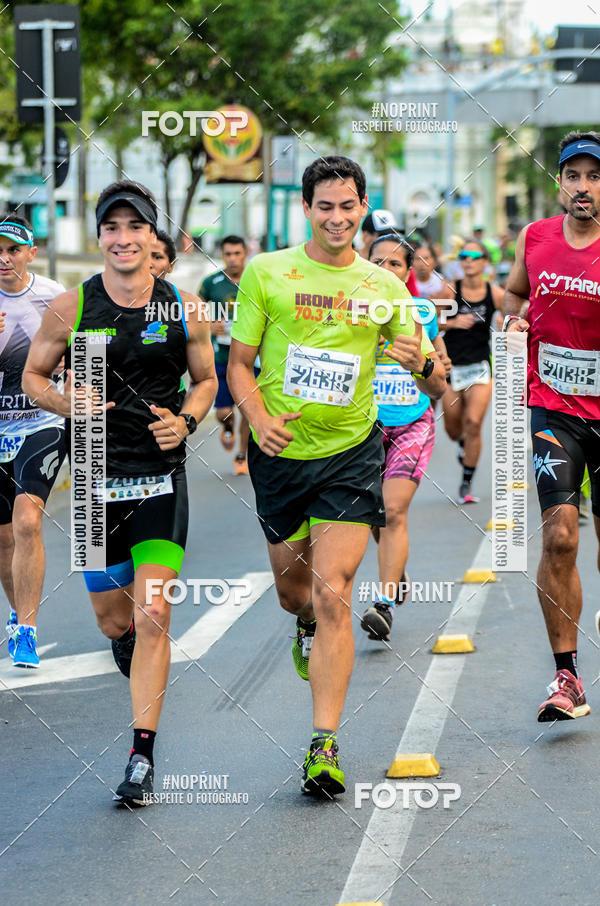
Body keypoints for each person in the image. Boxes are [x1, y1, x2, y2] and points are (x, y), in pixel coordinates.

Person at [227, 156, 446, 796]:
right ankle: (300, 624)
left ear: (363, 208)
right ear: (307, 210)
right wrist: (258, 418)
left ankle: (324, 745)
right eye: (325, 206)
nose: (337, 217)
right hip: (281, 453)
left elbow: (435, 385)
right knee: (296, 594)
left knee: (333, 592)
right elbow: (239, 365)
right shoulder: (268, 273)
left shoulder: (386, 287)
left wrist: (421, 364)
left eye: (348, 206)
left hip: (352, 453)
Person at [23, 181, 217, 804]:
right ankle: (130, 642)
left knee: (153, 611)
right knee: (114, 623)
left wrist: (185, 421)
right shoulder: (71, 307)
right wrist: (63, 399)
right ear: (101, 237)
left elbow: (209, 380)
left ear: (152, 238)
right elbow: (33, 376)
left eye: (136, 228)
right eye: (112, 228)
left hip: (160, 478)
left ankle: (141, 756)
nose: (123, 238)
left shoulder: (182, 307)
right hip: (92, 484)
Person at [503, 131, 600, 723]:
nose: (583, 187)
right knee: (560, 537)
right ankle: (566, 675)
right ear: (559, 182)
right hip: (554, 407)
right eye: (574, 176)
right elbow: (514, 295)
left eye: (594, 176)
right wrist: (515, 324)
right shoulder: (534, 238)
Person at [360, 232, 451, 641]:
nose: (385, 270)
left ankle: (383, 604)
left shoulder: (422, 313)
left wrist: (430, 363)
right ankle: (394, 570)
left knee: (393, 512)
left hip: (412, 423)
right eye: (377, 262)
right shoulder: (351, 310)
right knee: (375, 516)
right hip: (361, 427)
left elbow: (440, 376)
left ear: (407, 271)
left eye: (394, 263)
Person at [0, 213, 67, 668]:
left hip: (41, 423)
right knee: (4, 536)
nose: (4, 260)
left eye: (12, 250)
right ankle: (14, 612)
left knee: (27, 521)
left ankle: (27, 630)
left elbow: (84, 353)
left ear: (31, 253)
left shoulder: (54, 297)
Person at [440, 239, 504, 504]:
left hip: (480, 368)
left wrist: (508, 323)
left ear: (485, 262)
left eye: (474, 256)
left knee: (474, 423)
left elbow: (516, 312)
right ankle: (463, 445)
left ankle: (466, 481)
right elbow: (429, 323)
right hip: (452, 368)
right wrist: (453, 322)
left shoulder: (495, 293)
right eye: (464, 255)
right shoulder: (449, 291)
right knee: (454, 428)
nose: (468, 260)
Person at [200, 235, 253, 475]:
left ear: (245, 253)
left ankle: (242, 455)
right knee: (224, 412)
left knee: (248, 412)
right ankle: (227, 426)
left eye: (237, 253)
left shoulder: (256, 280)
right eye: (228, 254)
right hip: (222, 357)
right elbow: (194, 311)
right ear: (222, 255)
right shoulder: (212, 283)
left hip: (252, 359)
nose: (232, 259)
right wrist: (209, 324)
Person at [361, 211, 420, 296]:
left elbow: (413, 302)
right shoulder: (347, 262)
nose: (390, 240)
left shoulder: (404, 269)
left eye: (394, 235)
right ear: (365, 236)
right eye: (383, 236)